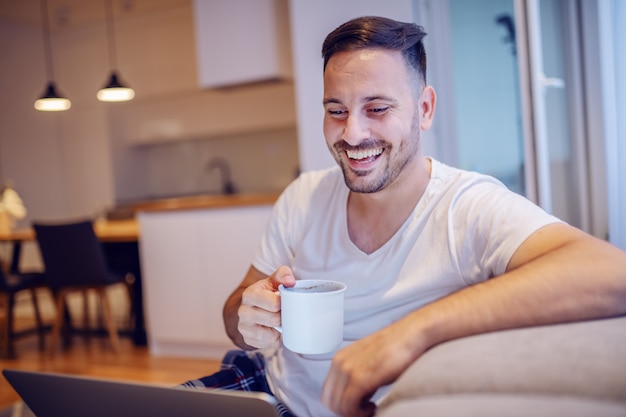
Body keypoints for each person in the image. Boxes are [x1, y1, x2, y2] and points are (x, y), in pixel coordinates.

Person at [182, 16, 626, 417]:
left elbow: (611, 273)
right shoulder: (304, 196)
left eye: (377, 108)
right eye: (336, 110)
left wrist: (406, 335)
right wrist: (248, 315)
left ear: (425, 109)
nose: (352, 133)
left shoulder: (466, 206)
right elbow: (234, 311)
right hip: (268, 392)